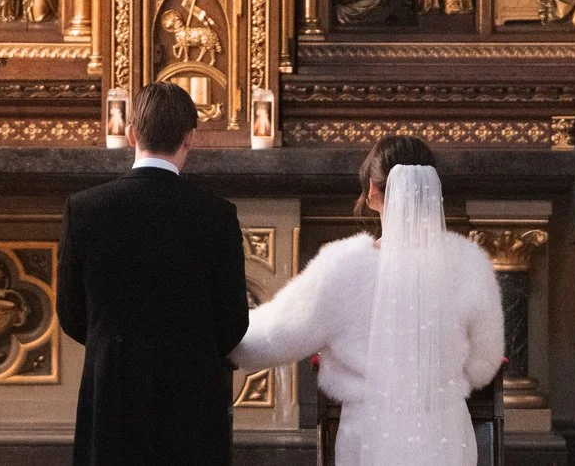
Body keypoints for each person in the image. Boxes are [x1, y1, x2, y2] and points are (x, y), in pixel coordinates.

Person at [232, 137, 504, 466]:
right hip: (446, 437)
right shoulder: (469, 263)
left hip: (370, 437)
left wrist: (208, 331)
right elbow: (484, 365)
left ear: (373, 191)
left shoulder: (343, 266)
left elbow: (271, 339)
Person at [58, 83, 248, 466]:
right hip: (191, 390)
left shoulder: (84, 209)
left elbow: (72, 313)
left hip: (112, 387)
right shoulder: (217, 214)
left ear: (131, 133)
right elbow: (232, 320)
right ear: (190, 138)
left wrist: (113, 345)